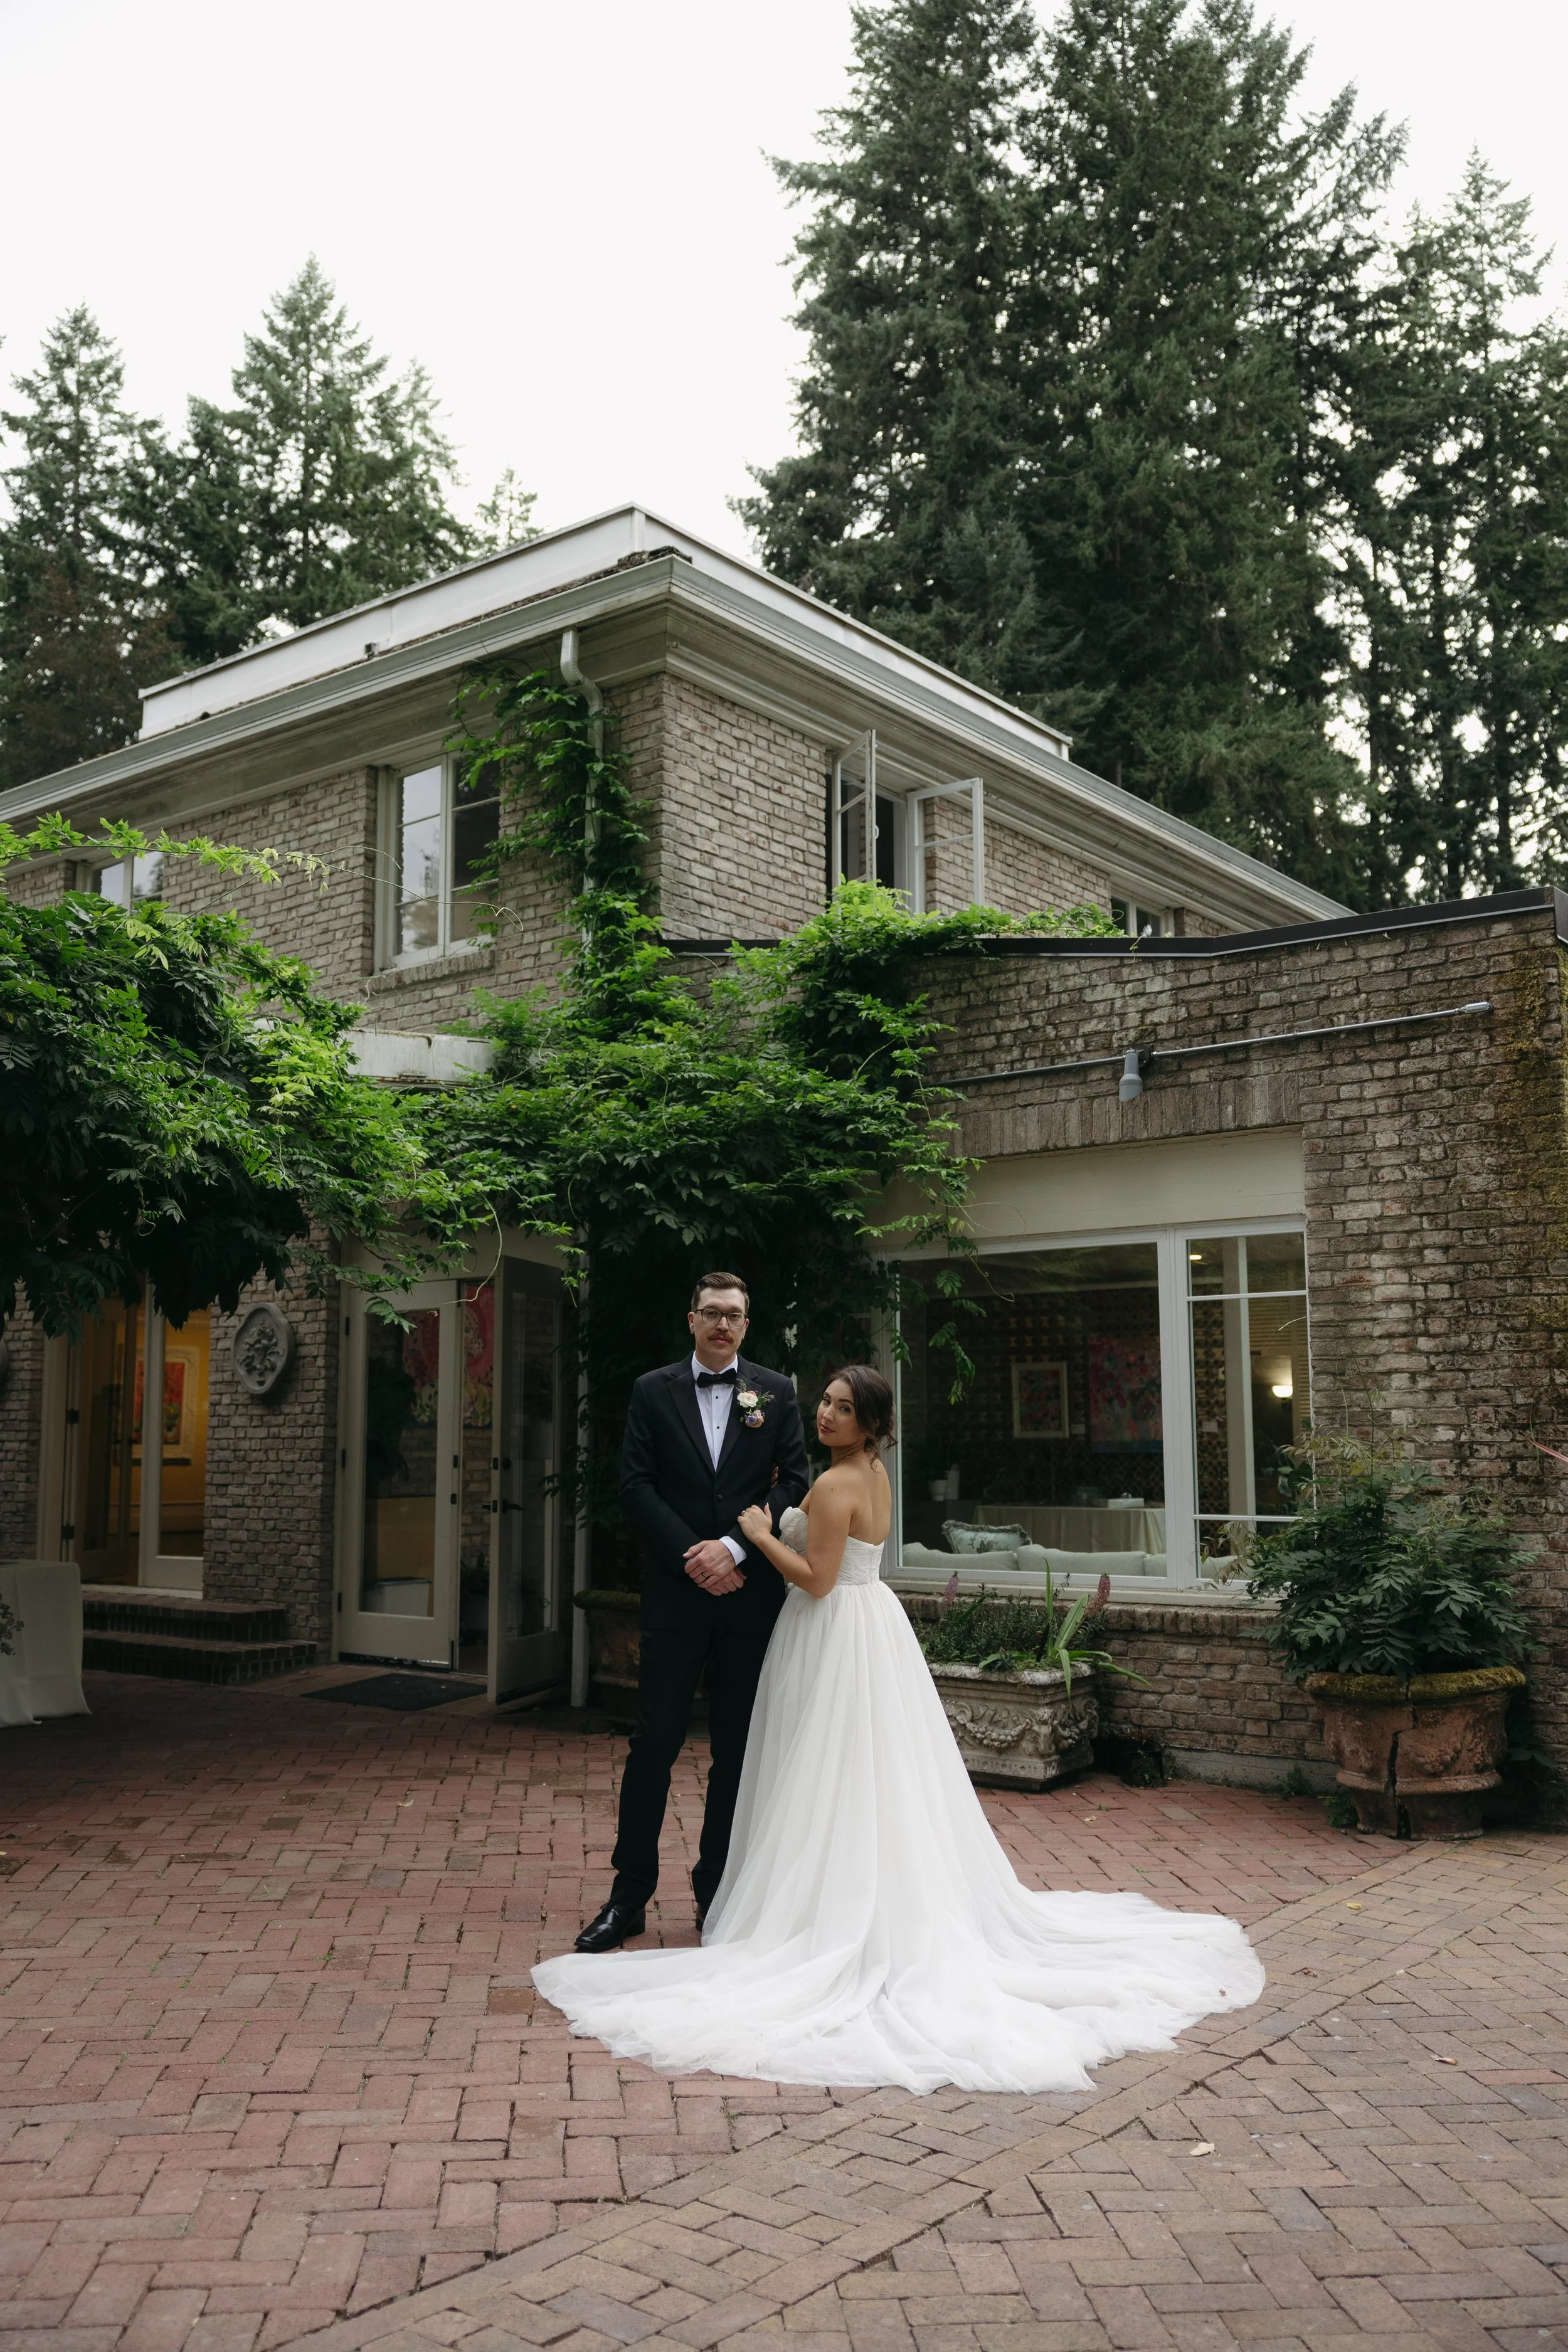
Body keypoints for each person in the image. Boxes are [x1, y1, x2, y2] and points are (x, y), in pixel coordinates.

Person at [535, 1362, 1265, 2093]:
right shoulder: (874, 1475)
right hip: (871, 1627)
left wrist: (757, 1534)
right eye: (824, 1401)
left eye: (843, 1409)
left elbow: (816, 1578)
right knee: (867, 1774)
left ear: (870, 1426)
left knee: (825, 1772)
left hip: (830, 1628)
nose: (824, 1415)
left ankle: (819, 1910)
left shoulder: (830, 1485)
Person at [570, 1272, 810, 1956]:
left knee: (735, 1751)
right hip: (676, 1595)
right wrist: (694, 1556)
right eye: (711, 1313)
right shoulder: (653, 1390)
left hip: (749, 1597)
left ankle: (717, 1894)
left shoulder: (776, 1391)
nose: (723, 1325)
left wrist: (736, 1548)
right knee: (653, 1744)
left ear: (746, 1323)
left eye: (734, 1315)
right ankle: (627, 1899)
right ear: (691, 1320)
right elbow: (635, 1485)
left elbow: (794, 1480)